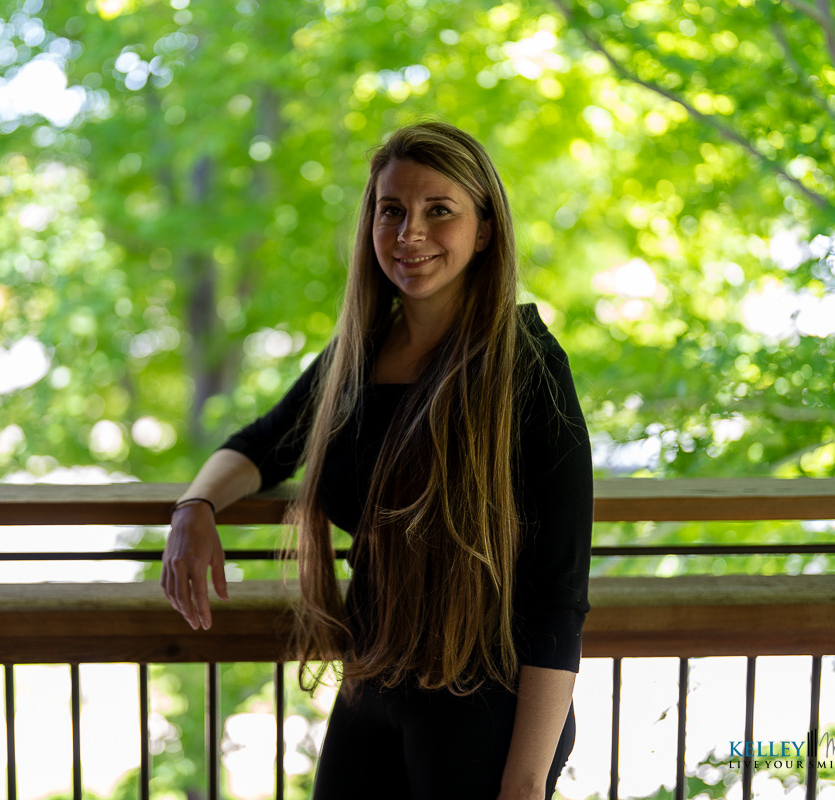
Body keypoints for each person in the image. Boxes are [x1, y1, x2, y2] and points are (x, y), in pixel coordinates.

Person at [162, 121, 592, 800]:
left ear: (483, 231)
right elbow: (263, 444)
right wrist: (194, 507)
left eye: (438, 211)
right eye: (391, 211)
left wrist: (527, 781)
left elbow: (558, 594)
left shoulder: (527, 365)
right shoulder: (356, 357)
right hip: (373, 679)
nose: (408, 233)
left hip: (485, 699)